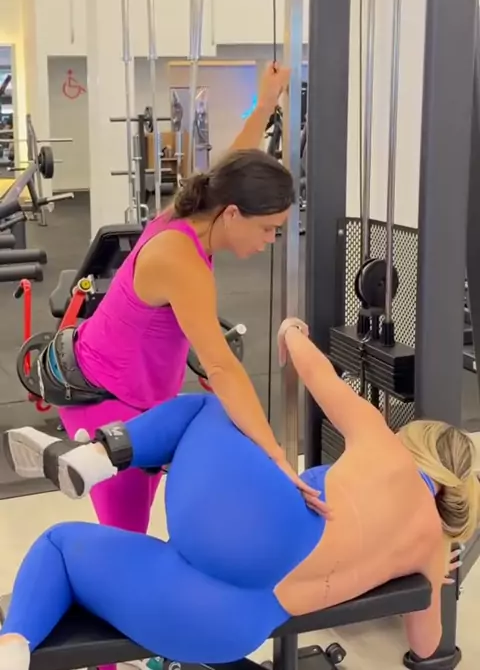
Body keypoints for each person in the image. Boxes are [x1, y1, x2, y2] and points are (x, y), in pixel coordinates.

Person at [2, 319, 479, 670]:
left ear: (418, 445)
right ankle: (13, 652)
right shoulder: (430, 548)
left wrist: (292, 332)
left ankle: (97, 455)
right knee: (60, 545)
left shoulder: (386, 445)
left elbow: (321, 377)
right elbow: (425, 647)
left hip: (268, 530)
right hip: (232, 620)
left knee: (213, 406)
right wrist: (437, 577)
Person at [47, 61, 325, 531]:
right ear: (232, 214)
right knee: (126, 537)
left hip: (136, 390)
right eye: (267, 229)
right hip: (106, 399)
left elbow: (235, 164)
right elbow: (221, 367)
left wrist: (266, 101)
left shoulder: (194, 208)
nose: (270, 241)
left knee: (195, 429)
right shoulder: (182, 259)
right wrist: (278, 457)